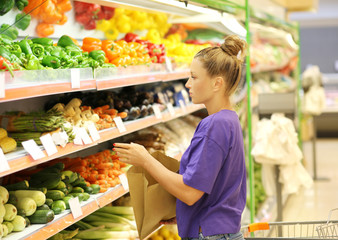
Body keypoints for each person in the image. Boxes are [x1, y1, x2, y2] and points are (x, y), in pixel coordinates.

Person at [113, 35, 247, 240]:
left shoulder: (214, 125)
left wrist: (145, 159)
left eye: (194, 77)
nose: (187, 84)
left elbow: (190, 193)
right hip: (219, 231)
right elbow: (215, 186)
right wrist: (186, 215)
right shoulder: (229, 119)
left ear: (217, 83)